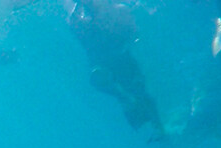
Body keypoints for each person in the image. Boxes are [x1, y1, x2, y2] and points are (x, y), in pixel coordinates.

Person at [65, 0, 164, 134]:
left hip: (120, 60)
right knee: (128, 92)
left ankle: (156, 126)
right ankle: (151, 124)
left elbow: (132, 32)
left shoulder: (113, 11)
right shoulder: (79, 20)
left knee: (137, 91)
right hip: (106, 64)